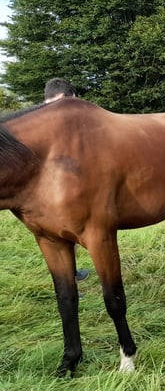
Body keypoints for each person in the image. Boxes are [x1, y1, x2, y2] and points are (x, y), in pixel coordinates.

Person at [44, 78, 90, 283]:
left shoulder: (33, 119)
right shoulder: (60, 119)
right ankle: (69, 274)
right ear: (64, 98)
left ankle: (71, 274)